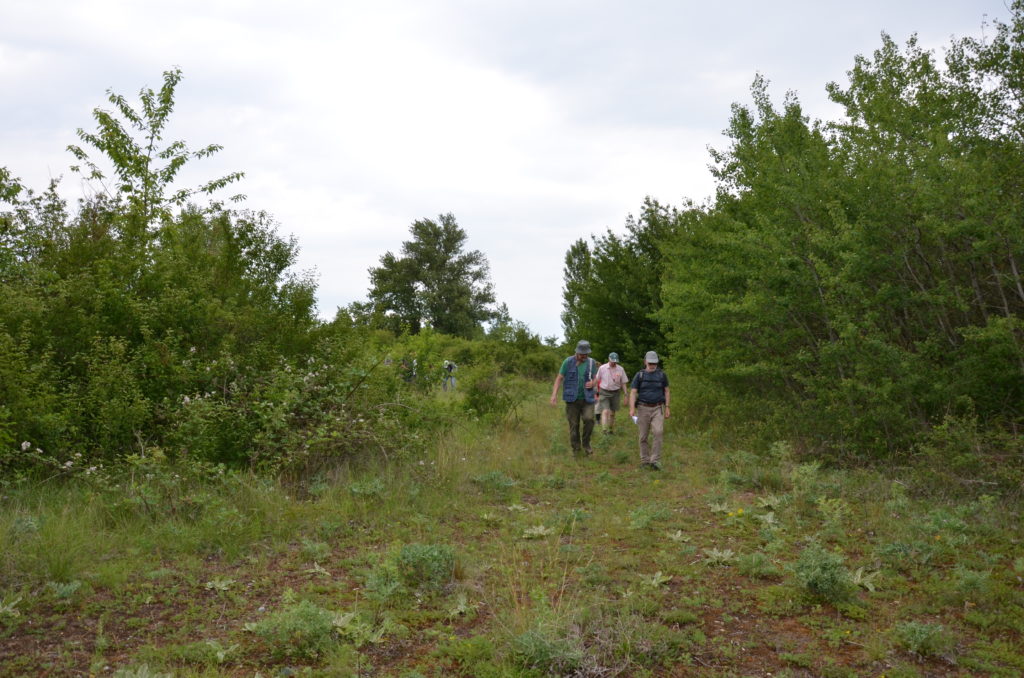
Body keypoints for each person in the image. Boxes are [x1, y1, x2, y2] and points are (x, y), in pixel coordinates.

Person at [549, 340, 598, 455]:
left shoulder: (592, 362)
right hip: (572, 400)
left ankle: (586, 444)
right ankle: (576, 448)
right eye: (582, 354)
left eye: (586, 354)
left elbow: (596, 378)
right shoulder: (567, 362)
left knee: (589, 420)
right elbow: (559, 378)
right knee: (574, 425)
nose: (584, 356)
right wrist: (554, 395)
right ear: (577, 352)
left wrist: (593, 383)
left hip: (588, 398)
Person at [628, 351, 670, 470]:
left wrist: (667, 407)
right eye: (650, 363)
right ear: (645, 362)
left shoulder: (662, 375)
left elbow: (667, 391)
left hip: (658, 407)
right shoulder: (639, 375)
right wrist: (632, 408)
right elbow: (633, 392)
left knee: (658, 432)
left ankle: (655, 461)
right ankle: (645, 461)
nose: (652, 365)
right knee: (643, 436)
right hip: (642, 407)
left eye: (654, 363)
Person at [594, 352, 629, 434]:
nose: (614, 362)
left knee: (612, 413)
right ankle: (604, 430)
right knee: (605, 411)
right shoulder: (602, 368)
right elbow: (597, 379)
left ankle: (610, 429)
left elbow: (623, 382)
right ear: (609, 359)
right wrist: (595, 390)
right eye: (613, 361)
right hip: (604, 391)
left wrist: (626, 394)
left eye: (615, 361)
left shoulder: (620, 369)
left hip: (615, 392)